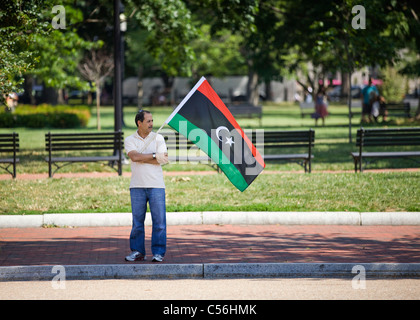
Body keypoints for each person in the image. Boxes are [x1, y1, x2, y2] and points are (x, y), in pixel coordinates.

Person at [124, 110, 169, 262]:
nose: (151, 124)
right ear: (139, 123)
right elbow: (134, 156)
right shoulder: (130, 139)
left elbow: (163, 160)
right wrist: (155, 156)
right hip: (137, 186)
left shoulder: (159, 138)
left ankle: (158, 253)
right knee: (137, 223)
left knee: (159, 222)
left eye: (152, 120)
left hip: (156, 185)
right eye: (148, 121)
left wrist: (144, 158)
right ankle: (137, 252)